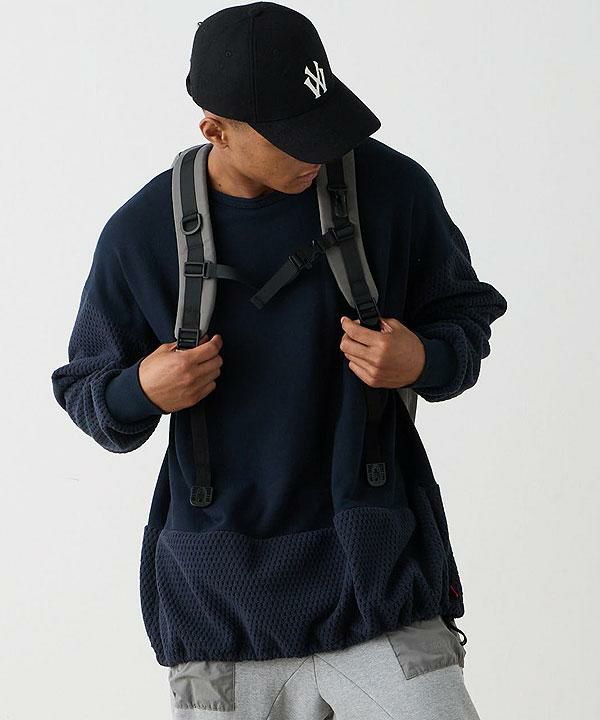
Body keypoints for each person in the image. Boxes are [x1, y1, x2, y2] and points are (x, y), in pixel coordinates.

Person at [51, 2, 508, 718]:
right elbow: (86, 390)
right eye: (294, 137)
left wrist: (425, 358)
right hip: (220, 609)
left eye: (323, 122)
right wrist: (143, 389)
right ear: (215, 129)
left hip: (381, 580)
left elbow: (466, 313)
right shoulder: (140, 235)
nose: (319, 153)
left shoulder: (394, 191)